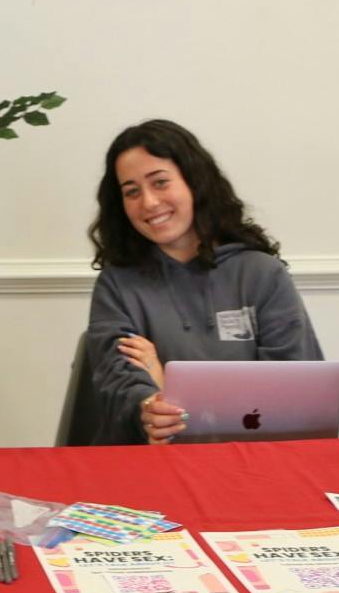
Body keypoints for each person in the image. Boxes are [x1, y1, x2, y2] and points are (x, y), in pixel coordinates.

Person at [77, 119, 322, 445]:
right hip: (149, 464)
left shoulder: (261, 274)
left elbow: (294, 392)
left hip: (255, 465)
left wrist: (168, 384)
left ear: (195, 183)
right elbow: (120, 384)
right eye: (132, 191)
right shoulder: (118, 284)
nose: (148, 202)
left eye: (160, 182)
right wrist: (151, 406)